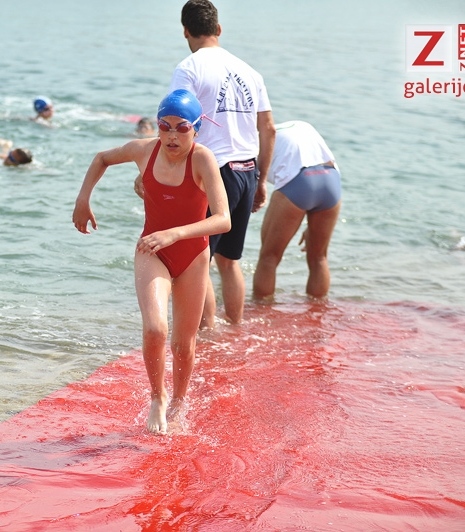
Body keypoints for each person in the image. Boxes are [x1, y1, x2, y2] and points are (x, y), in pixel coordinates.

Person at [73, 90, 230, 434]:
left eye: (181, 128)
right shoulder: (144, 151)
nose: (172, 136)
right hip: (152, 250)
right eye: (164, 126)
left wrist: (175, 234)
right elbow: (101, 158)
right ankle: (158, 397)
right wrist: (83, 199)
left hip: (193, 255)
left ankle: (179, 402)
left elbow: (223, 220)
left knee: (184, 345)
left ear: (196, 129)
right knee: (156, 329)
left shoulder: (203, 159)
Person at [170, 0, 275, 328]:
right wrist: (261, 180)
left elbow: (178, 123)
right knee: (230, 261)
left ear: (185, 31)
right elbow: (268, 129)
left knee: (198, 259)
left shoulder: (189, 68)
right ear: (218, 29)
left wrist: (155, 169)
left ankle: (207, 335)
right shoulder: (250, 72)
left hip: (214, 173)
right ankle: (236, 330)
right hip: (247, 170)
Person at [253, 120, 341, 299]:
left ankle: (261, 308)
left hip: (299, 182)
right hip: (331, 180)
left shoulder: (253, 141)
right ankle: (317, 308)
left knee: (269, 258)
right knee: (319, 258)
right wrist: (312, 226)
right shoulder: (299, 125)